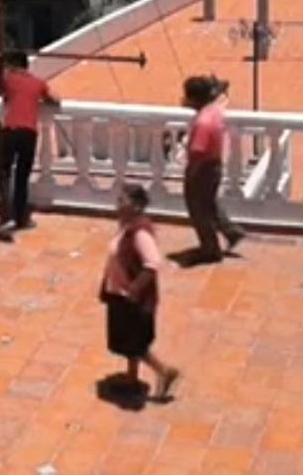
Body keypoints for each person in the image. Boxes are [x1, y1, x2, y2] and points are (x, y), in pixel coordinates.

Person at [100, 183, 179, 400]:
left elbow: (153, 263)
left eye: (122, 200)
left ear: (135, 206)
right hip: (119, 293)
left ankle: (163, 371)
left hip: (131, 298)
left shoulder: (139, 233)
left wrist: (134, 289)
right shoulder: (127, 226)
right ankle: (132, 376)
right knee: (127, 338)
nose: (118, 204)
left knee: (134, 342)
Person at [0, 52, 59, 238]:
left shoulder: (9, 79)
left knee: (4, 172)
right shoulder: (38, 83)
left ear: (14, 65)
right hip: (29, 133)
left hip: (10, 129)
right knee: (22, 176)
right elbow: (54, 99)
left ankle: (6, 216)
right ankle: (21, 218)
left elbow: (5, 96)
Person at [182, 75, 244, 262]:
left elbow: (197, 151)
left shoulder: (203, 121)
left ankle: (210, 249)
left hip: (202, 168)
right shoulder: (214, 112)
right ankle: (231, 231)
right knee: (209, 204)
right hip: (215, 165)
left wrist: (191, 174)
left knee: (198, 209)